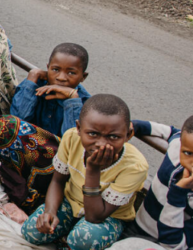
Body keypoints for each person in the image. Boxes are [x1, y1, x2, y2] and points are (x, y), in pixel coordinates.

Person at [21, 94, 149, 250]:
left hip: (107, 217)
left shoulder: (135, 166)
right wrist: (50, 212)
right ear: (79, 128)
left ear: (128, 135)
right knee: (32, 231)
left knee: (83, 239)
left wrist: (93, 170)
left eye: (113, 137)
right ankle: (66, 235)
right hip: (70, 202)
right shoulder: (71, 138)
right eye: (93, 134)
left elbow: (95, 217)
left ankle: (69, 239)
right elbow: (58, 181)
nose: (101, 144)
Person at [130, 116, 193, 249]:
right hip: (137, 228)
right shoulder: (177, 144)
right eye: (188, 153)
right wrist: (135, 126)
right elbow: (170, 132)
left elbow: (172, 245)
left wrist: (177, 194)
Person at [11, 43, 91, 137]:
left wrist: (72, 99)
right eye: (55, 70)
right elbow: (16, 120)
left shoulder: (85, 103)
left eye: (71, 73)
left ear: (83, 76)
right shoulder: (35, 84)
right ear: (48, 68)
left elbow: (72, 141)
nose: (61, 78)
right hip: (26, 142)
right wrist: (32, 77)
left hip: (59, 150)